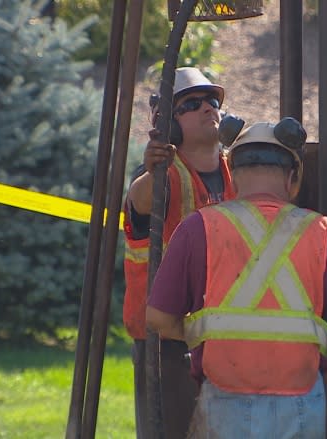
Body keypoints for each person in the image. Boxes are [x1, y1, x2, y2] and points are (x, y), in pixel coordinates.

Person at [146, 118, 327, 438]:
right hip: (301, 401)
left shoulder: (199, 228)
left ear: (233, 175)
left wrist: (213, 336)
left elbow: (158, 317)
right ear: (293, 176)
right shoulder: (322, 234)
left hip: (224, 400)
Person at [122, 67, 236, 438]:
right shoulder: (161, 178)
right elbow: (138, 202)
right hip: (168, 343)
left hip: (226, 336)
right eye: (192, 104)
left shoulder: (239, 173)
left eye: (213, 101)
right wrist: (154, 168)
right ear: (168, 125)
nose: (208, 108)